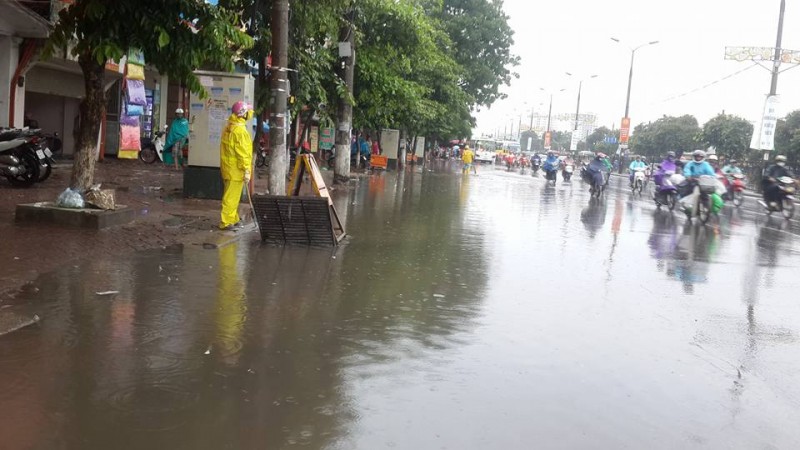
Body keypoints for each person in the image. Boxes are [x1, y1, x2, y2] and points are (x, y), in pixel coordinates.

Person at [219, 101, 254, 231]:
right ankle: (226, 221)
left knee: (232, 195)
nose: (250, 114)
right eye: (248, 112)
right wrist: (246, 170)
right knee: (231, 197)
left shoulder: (229, 126)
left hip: (228, 168)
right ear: (243, 115)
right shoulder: (240, 131)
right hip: (236, 170)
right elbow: (243, 153)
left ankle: (233, 218)